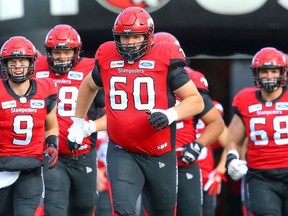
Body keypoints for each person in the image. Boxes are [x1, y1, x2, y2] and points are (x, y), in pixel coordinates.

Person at [67, 6, 204, 216]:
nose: (129, 43)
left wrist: (169, 114)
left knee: (163, 211)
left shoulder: (164, 56)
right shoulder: (107, 55)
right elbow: (88, 86)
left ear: (148, 36)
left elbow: (196, 101)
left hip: (159, 151)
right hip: (122, 149)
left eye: (135, 37)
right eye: (124, 37)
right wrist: (78, 121)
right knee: (123, 210)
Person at [151, 32, 225, 216]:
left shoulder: (192, 81)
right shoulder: (140, 81)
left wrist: (197, 146)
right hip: (152, 162)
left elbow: (216, 124)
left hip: (183, 161)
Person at [35, 24, 103, 216]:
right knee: (55, 207)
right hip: (51, 153)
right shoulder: (35, 68)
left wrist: (89, 127)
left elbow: (110, 115)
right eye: (57, 51)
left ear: (77, 51)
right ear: (48, 51)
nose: (62, 57)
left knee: (85, 206)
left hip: (83, 153)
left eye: (68, 51)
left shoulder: (90, 69)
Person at [225, 47, 288, 215]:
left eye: (274, 71)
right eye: (264, 71)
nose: (269, 76)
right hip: (261, 176)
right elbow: (233, 139)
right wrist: (232, 158)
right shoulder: (245, 99)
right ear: (256, 73)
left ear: (283, 72)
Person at [0, 36, 59, 216]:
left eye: (22, 61)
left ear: (31, 62)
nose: (18, 66)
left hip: (31, 168)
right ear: (5, 64)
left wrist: (52, 144)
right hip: (2, 168)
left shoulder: (45, 89)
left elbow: (51, 126)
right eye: (13, 61)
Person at [196, 100, 228, 216]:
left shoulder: (211, 108)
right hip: (177, 177)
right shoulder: (173, 107)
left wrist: (219, 172)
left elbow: (230, 143)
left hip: (205, 179)